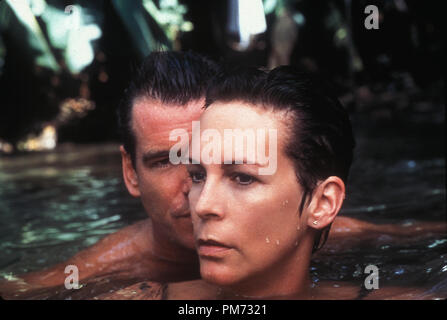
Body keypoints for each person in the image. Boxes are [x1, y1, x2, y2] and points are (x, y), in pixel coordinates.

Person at [1, 52, 444, 299]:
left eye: (241, 175)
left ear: (322, 204)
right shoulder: (106, 276)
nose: (195, 197)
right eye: (166, 162)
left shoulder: (317, 228)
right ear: (129, 173)